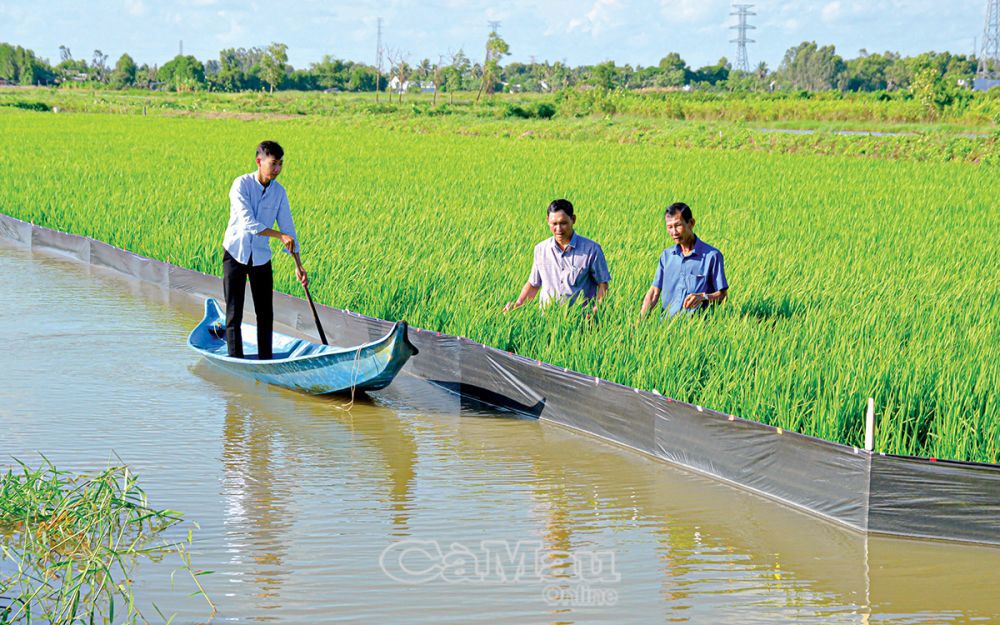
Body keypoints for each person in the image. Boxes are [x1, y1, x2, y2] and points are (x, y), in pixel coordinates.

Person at [222, 140, 307, 359]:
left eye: (280, 164)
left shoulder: (279, 192)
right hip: (236, 253)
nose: (277, 169)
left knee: (265, 314)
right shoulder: (241, 184)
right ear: (259, 161)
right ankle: (235, 360)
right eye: (273, 164)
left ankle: (266, 360)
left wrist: (298, 265)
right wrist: (279, 236)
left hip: (260, 257)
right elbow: (248, 223)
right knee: (234, 314)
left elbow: (289, 229)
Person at [504, 199, 611, 314]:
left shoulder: (591, 249)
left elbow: (603, 285)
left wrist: (595, 312)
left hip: (581, 321)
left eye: (563, 223)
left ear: (573, 219)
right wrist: (518, 304)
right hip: (547, 320)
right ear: (547, 221)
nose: (558, 229)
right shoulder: (541, 250)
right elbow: (534, 284)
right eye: (554, 224)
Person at [639, 202, 728, 319]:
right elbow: (654, 292)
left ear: (691, 223)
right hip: (666, 326)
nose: (674, 232)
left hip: (698, 329)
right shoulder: (667, 256)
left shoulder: (712, 256)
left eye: (678, 225)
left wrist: (704, 297)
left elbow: (723, 296)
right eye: (669, 227)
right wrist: (639, 322)